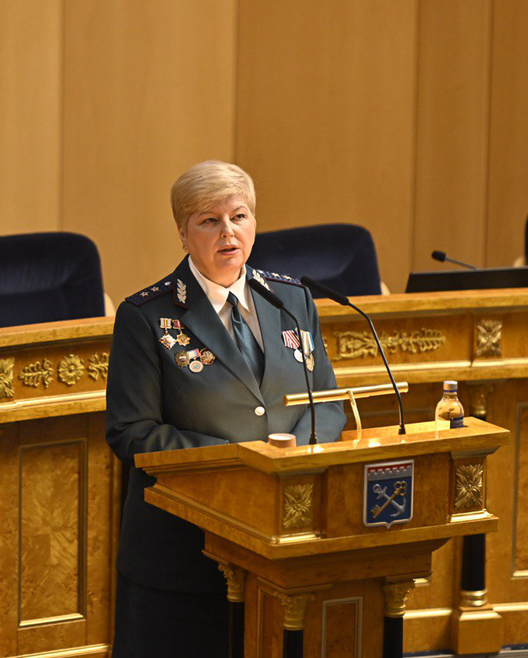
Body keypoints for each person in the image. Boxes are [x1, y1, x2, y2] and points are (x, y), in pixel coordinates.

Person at [105, 160, 346, 657]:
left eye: (239, 216)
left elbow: (326, 402)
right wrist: (239, 462)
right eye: (209, 221)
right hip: (184, 555)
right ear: (183, 233)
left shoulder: (292, 299)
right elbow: (132, 431)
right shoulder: (146, 316)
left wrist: (292, 458)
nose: (228, 232)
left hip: (282, 543)